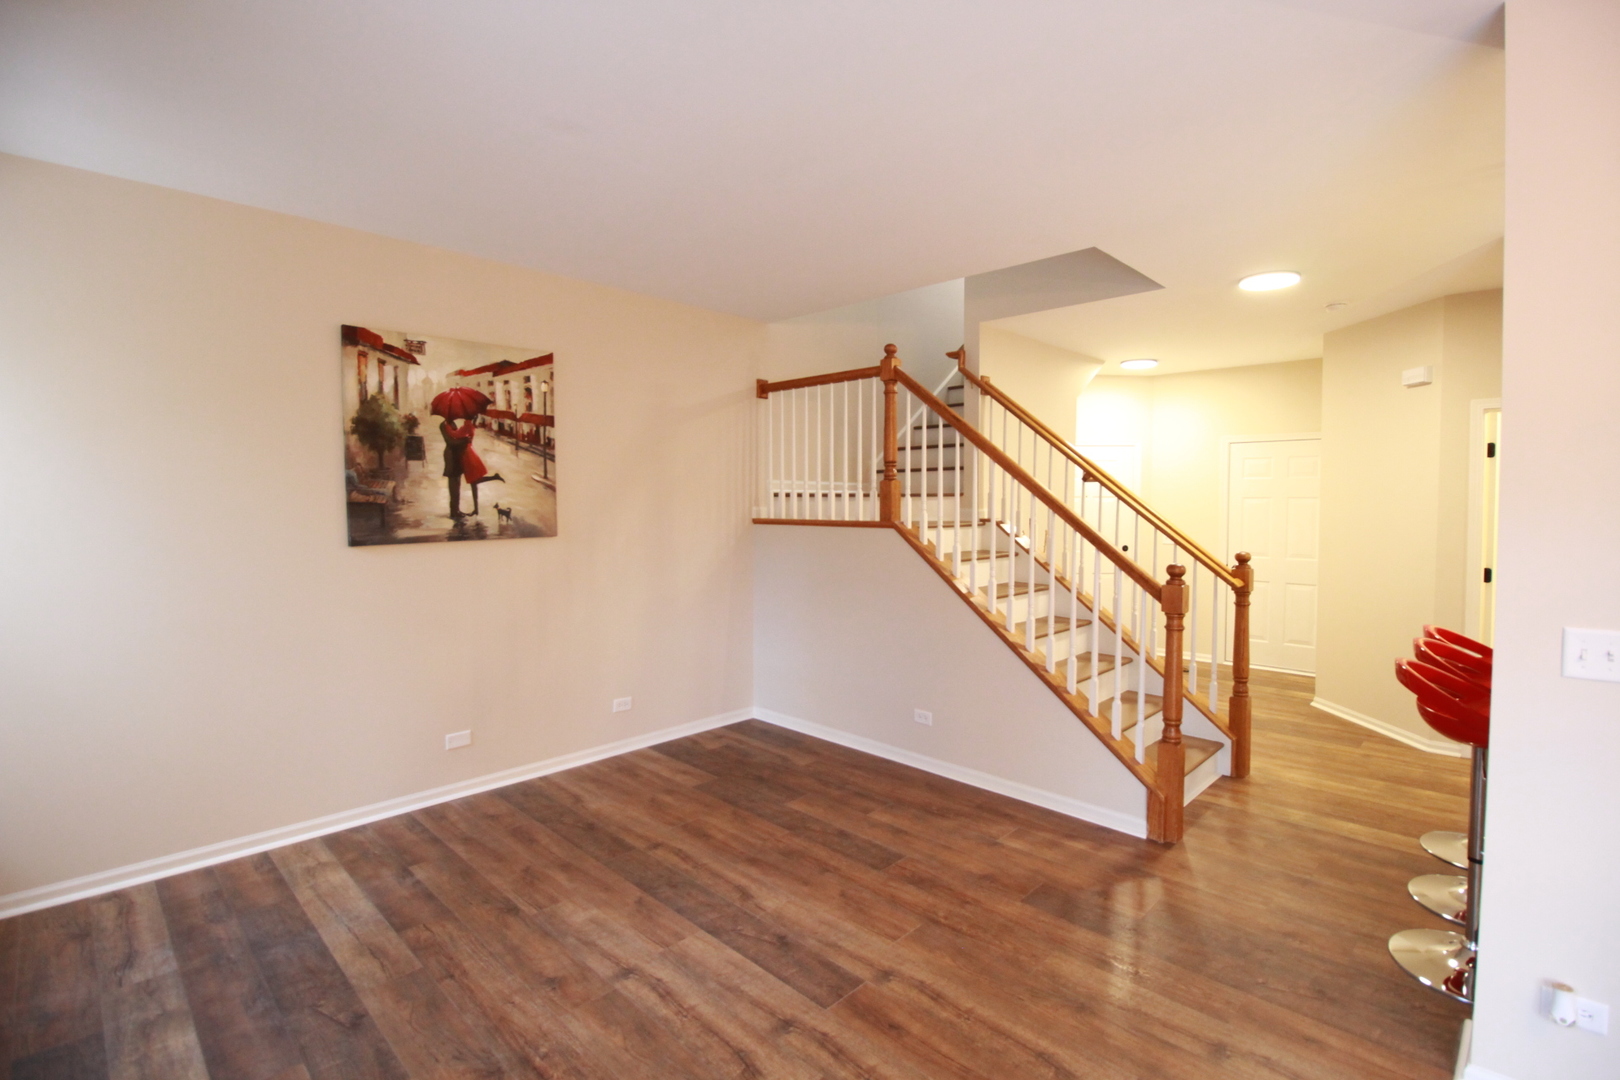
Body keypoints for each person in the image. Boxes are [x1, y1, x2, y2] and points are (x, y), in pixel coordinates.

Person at [440, 418, 504, 518]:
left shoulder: (453, 423)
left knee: (458, 485)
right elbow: (450, 441)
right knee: (454, 486)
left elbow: (457, 436)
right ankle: (454, 512)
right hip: (451, 458)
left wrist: (463, 439)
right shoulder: (444, 425)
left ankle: (456, 510)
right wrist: (464, 440)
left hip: (459, 457)